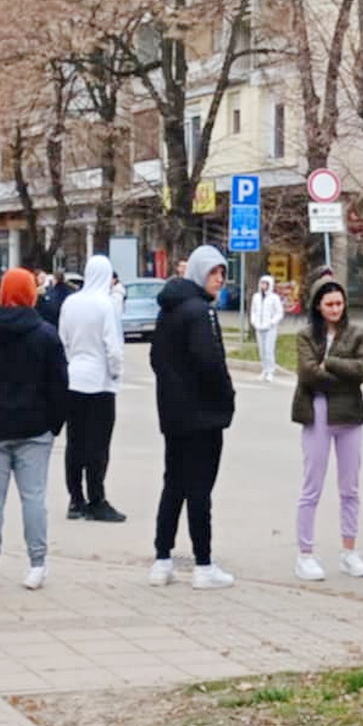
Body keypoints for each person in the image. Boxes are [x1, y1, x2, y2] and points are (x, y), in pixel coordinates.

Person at [0, 267, 69, 590]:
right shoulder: (45, 334)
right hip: (35, 427)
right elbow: (59, 383)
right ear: (31, 294)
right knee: (33, 497)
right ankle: (37, 564)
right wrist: (54, 423)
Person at [151, 246, 238, 588]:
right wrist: (226, 399)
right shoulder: (201, 312)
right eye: (215, 273)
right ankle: (203, 563)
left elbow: (156, 360)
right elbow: (210, 362)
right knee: (200, 488)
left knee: (173, 483)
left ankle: (162, 559)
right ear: (201, 272)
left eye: (223, 274)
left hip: (173, 414)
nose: (220, 280)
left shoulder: (168, 309)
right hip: (203, 416)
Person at [292, 272, 363, 582]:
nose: (335, 309)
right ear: (317, 306)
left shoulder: (357, 334)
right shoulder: (305, 336)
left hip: (349, 414)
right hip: (317, 411)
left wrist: (332, 364)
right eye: (328, 304)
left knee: (350, 487)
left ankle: (349, 550)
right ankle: (305, 553)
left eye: (339, 303)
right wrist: (339, 373)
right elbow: (308, 373)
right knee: (311, 485)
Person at [58, 254, 127, 522]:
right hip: (100, 383)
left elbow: (62, 339)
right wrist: (116, 374)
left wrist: (71, 364)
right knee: (98, 444)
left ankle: (75, 500)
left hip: (73, 379)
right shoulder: (105, 305)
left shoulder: (70, 302)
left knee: (75, 442)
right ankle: (96, 498)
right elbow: (113, 346)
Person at [248, 274, 285, 381]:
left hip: (270, 328)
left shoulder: (274, 298)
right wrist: (254, 322)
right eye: (262, 283)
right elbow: (253, 311)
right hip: (259, 327)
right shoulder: (256, 297)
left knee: (269, 350)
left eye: (265, 284)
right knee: (261, 350)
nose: (263, 285)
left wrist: (272, 322)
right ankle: (264, 369)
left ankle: (270, 371)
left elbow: (279, 312)